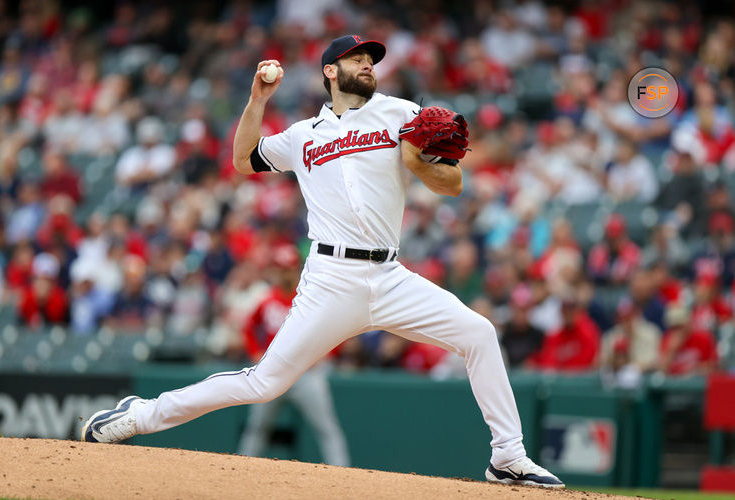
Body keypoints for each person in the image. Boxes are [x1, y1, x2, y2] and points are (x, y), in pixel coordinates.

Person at [82, 35, 563, 488]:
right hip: (331, 280)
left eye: (371, 59)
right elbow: (243, 160)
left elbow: (454, 184)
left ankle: (507, 458)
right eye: (357, 59)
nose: (368, 64)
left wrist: (418, 164)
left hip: (390, 276)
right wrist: (258, 99)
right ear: (331, 70)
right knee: (264, 383)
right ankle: (138, 415)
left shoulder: (402, 113)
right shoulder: (302, 135)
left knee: (478, 333)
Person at [238, 244, 350, 466]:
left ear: (297, 268)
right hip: (273, 372)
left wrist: (327, 354)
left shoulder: (311, 297)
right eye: (280, 268)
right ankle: (241, 468)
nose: (284, 273)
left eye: (288, 268)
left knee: (326, 428)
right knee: (257, 427)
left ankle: (343, 474)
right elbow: (249, 328)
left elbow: (339, 328)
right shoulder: (267, 299)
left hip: (306, 374)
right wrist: (254, 352)